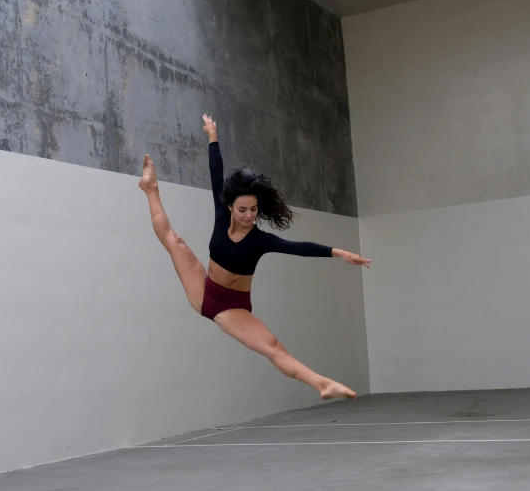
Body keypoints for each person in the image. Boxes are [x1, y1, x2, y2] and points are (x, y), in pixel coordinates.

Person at [138, 114, 371, 400]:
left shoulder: (260, 241)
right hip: (205, 289)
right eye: (243, 210)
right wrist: (212, 135)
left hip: (230, 307)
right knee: (174, 241)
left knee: (273, 346)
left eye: (254, 210)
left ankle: (322, 383)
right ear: (230, 206)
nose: (249, 216)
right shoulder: (222, 214)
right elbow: (216, 172)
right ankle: (150, 188)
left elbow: (298, 247)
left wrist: (339, 253)